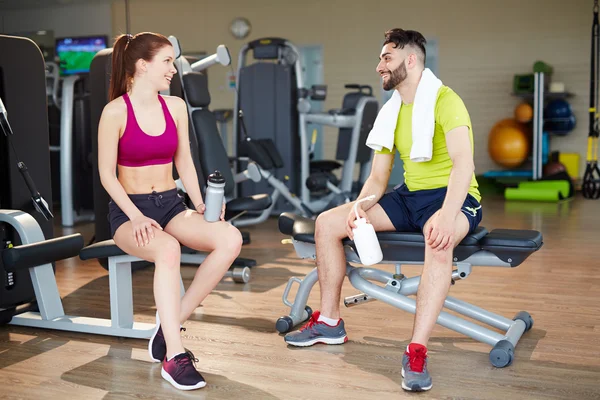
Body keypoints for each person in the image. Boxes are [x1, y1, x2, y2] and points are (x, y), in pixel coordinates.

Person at [283, 28, 482, 392]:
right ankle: (329, 322)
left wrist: (447, 213)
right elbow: (378, 176)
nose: (379, 66)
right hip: (411, 196)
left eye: (386, 58)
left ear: (410, 60)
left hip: (455, 195)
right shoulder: (392, 112)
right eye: (379, 59)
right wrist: (360, 206)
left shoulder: (445, 100)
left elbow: (463, 165)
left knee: (436, 241)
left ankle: (417, 350)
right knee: (328, 223)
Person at [97, 32, 243, 391]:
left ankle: (170, 323)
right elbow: (106, 174)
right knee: (168, 249)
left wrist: (201, 204)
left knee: (230, 238)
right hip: (129, 212)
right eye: (166, 61)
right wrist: (134, 215)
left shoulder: (175, 106)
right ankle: (174, 357)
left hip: (170, 204)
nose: (173, 69)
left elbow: (186, 164)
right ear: (142, 66)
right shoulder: (115, 111)